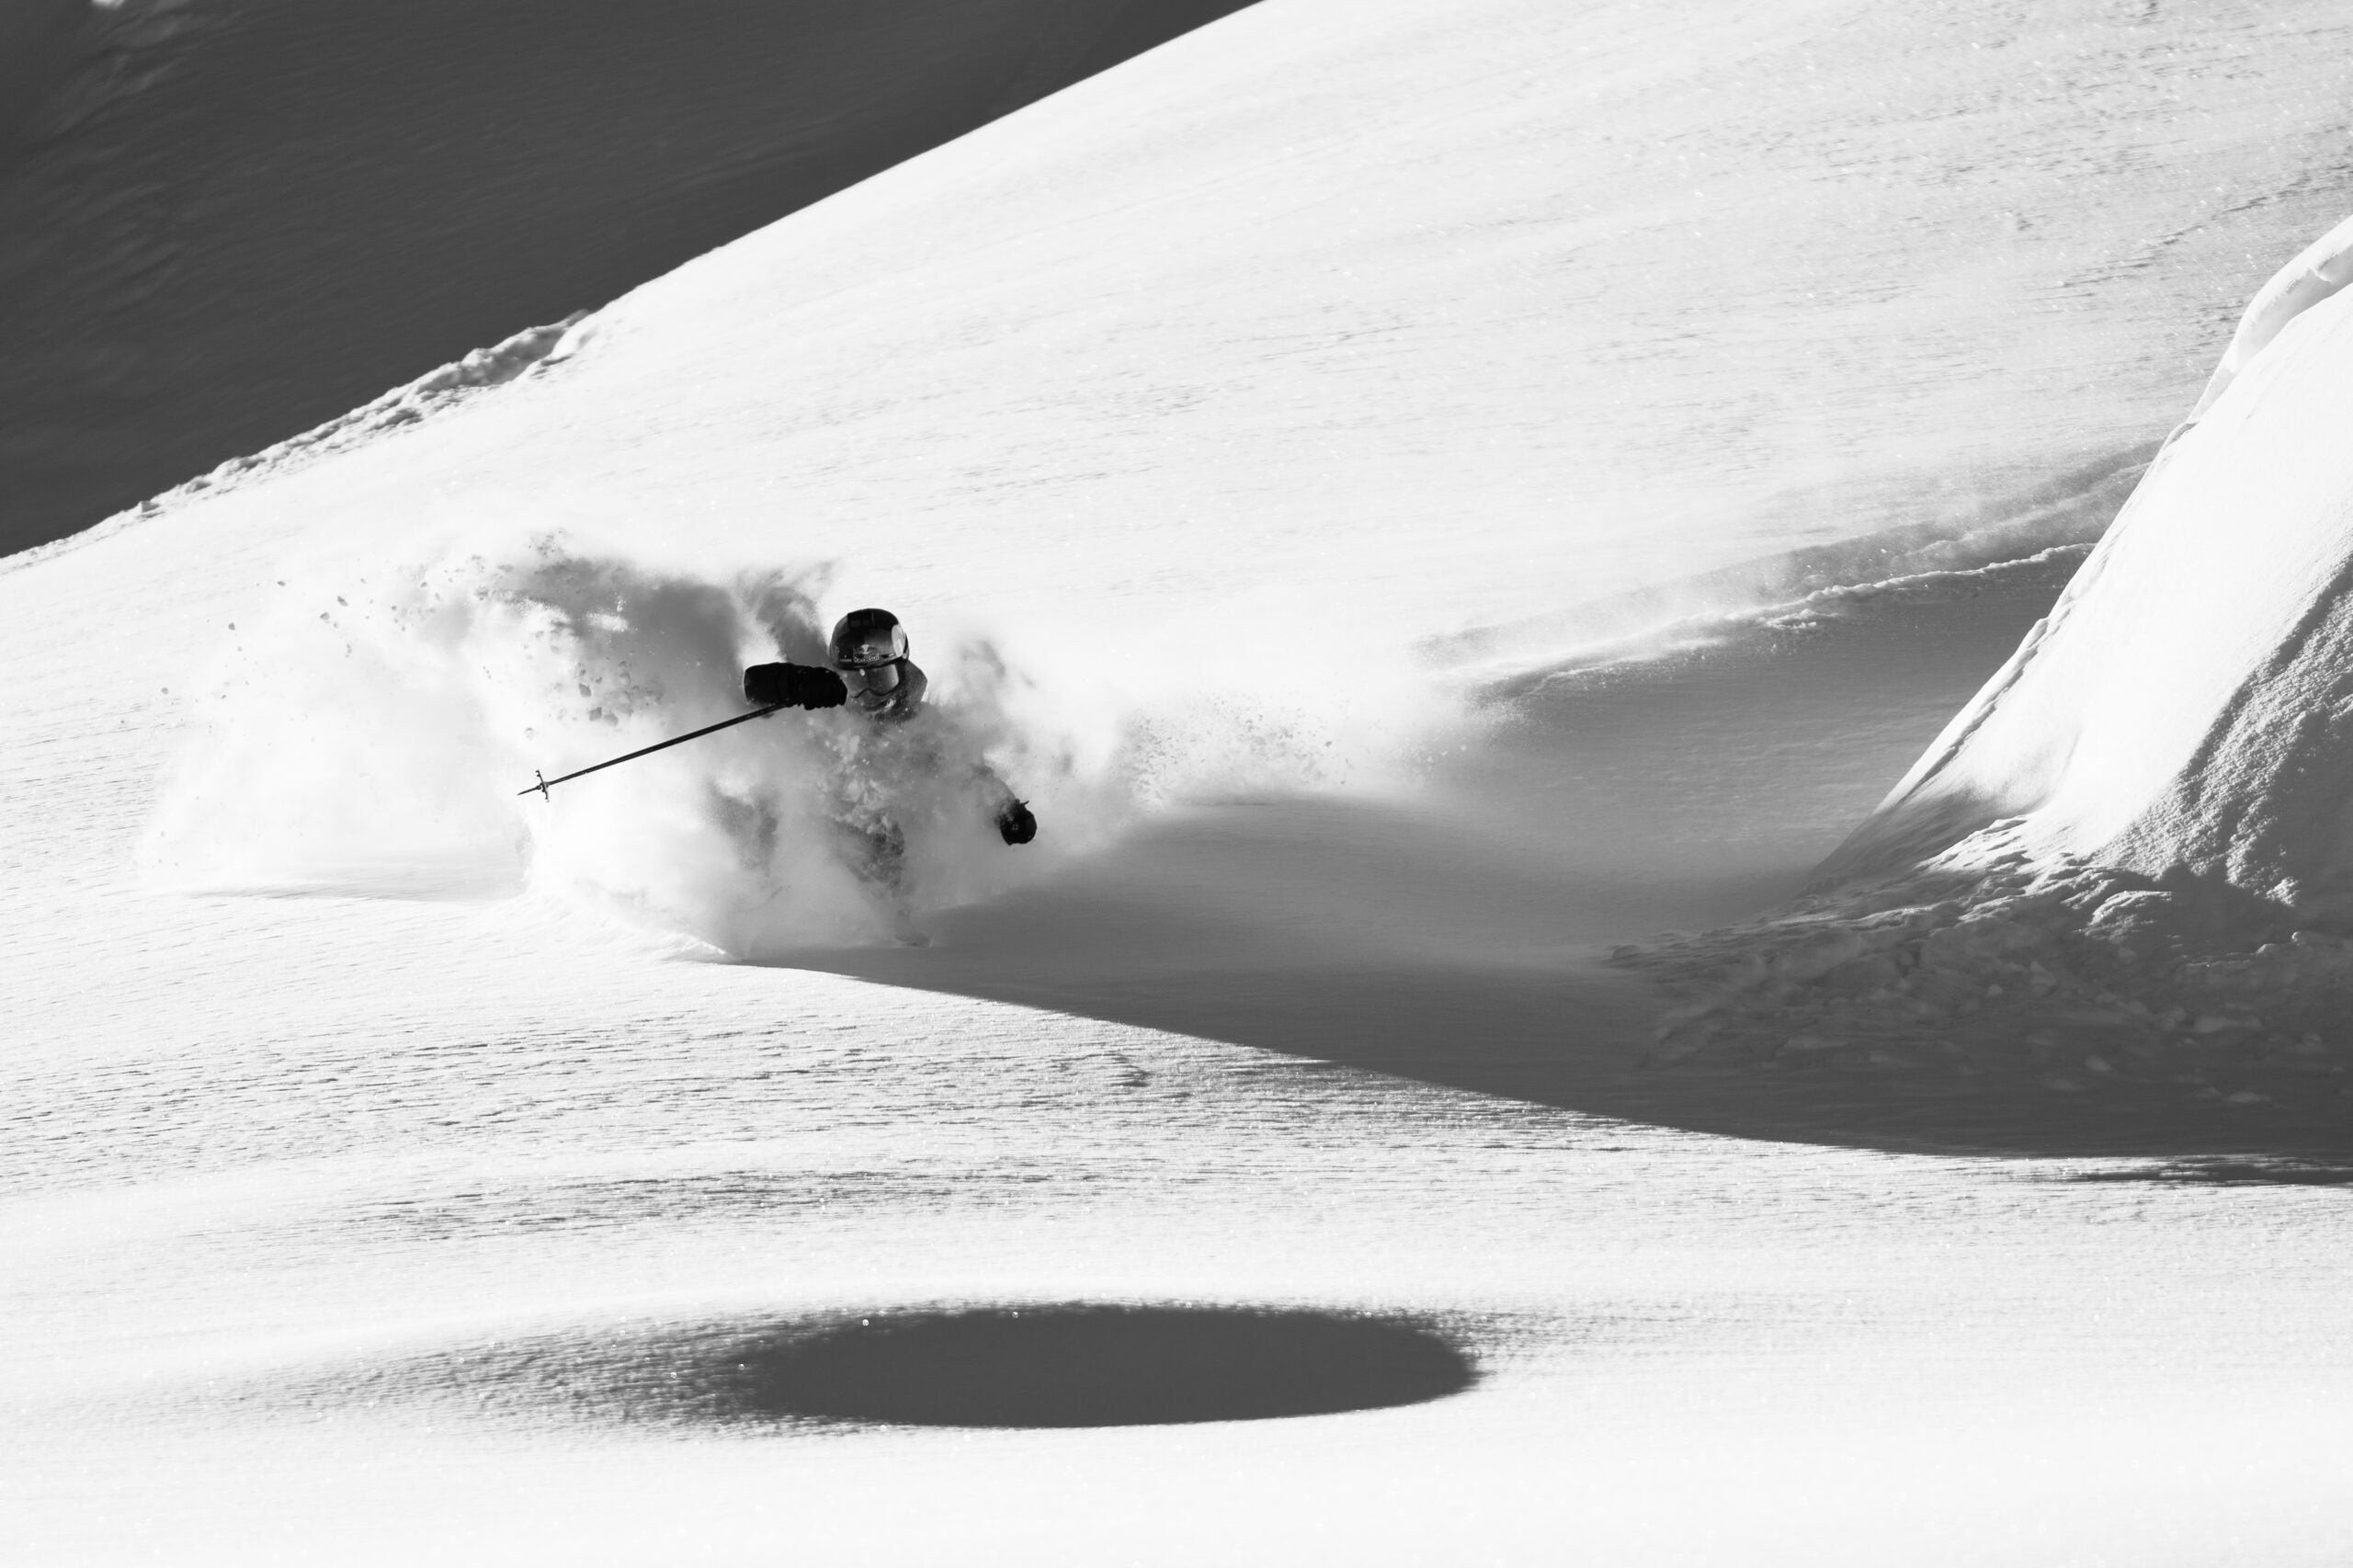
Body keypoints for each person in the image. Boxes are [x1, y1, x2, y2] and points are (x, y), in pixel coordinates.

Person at [742, 608, 1037, 860]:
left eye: (881, 679)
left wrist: (1007, 810)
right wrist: (796, 683)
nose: (869, 694)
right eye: (856, 681)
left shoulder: (923, 727)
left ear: (901, 671)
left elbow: (970, 773)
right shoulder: (822, 701)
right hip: (798, 825)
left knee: (885, 841)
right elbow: (754, 686)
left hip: (870, 843)